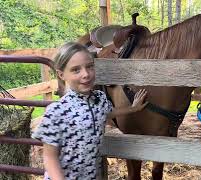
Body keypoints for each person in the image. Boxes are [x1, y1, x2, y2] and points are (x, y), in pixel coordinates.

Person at [32, 42, 148, 180]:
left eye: (90, 66)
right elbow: (49, 157)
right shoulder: (56, 111)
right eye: (76, 70)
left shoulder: (100, 98)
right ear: (61, 74)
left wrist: (133, 108)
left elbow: (108, 113)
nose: (86, 74)